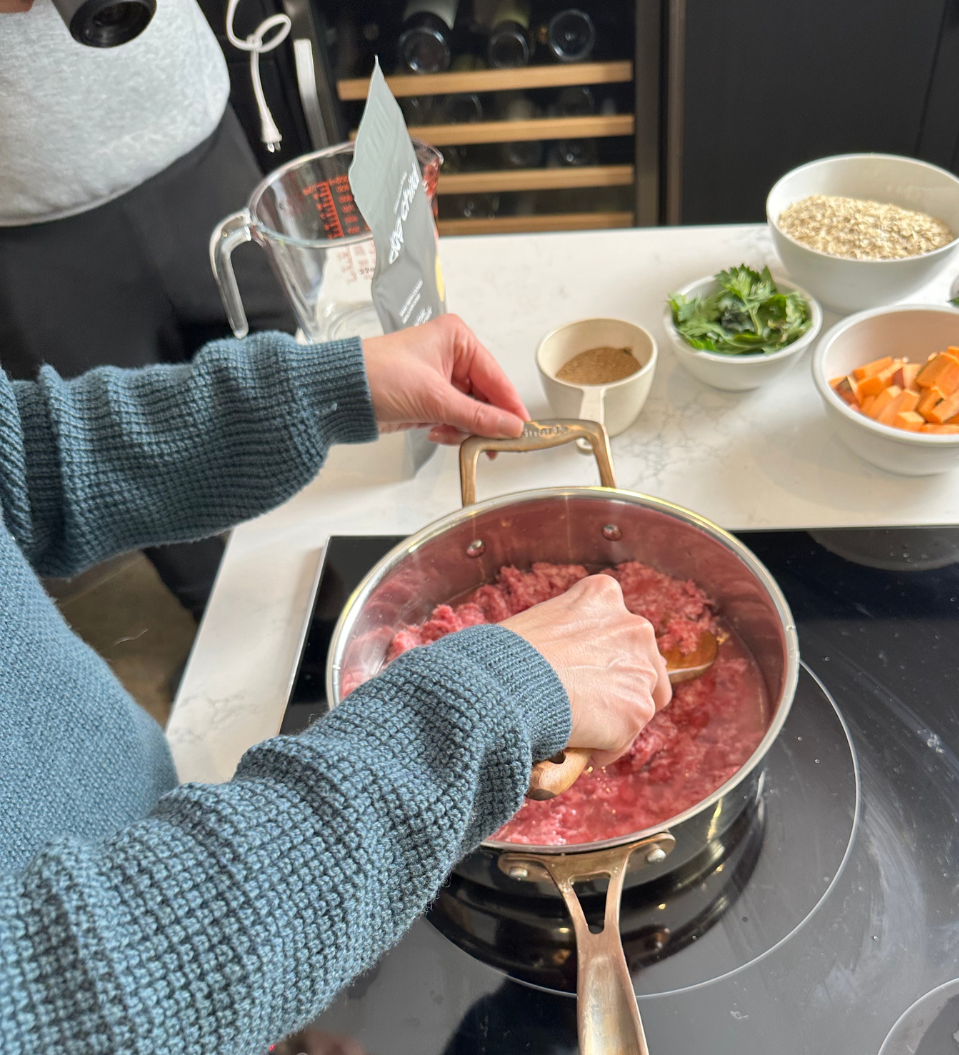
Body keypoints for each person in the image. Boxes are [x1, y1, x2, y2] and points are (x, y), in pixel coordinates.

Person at [0, 314, 672, 1053]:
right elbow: (65, 1008)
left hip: (190, 864)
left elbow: (20, 460)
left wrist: (316, 391)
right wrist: (492, 694)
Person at [0, 0, 294, 614]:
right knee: (140, 470)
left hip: (195, 130)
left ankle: (360, 616)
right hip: (23, 216)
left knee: (291, 395)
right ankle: (230, 643)